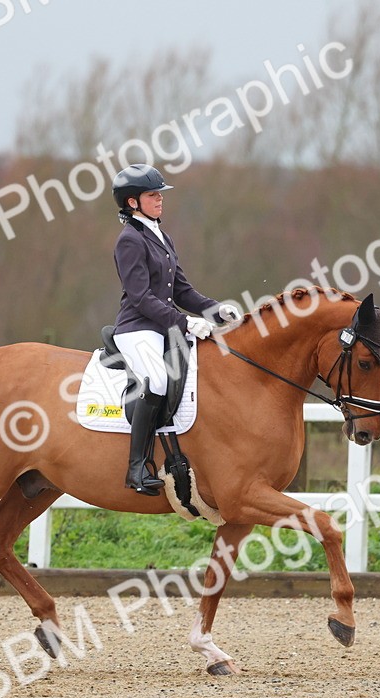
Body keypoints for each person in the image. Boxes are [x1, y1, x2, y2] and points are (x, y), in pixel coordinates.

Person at [110, 164, 239, 495]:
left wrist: (215, 310)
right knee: (157, 380)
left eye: (159, 195)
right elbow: (140, 297)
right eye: (152, 195)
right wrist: (184, 322)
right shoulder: (129, 241)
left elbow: (182, 291)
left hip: (162, 327)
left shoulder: (160, 236)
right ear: (132, 202)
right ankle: (136, 469)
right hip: (137, 328)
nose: (159, 200)